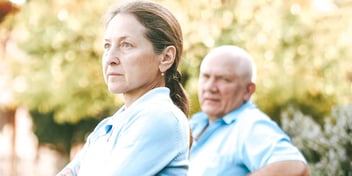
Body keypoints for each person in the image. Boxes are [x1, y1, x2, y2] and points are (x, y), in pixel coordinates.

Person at [57, 1, 191, 175]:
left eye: (126, 45)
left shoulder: (161, 117)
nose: (110, 58)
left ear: (166, 57)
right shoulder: (110, 125)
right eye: (107, 46)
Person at [188, 45, 310, 176]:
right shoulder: (196, 123)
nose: (210, 87)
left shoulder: (249, 125)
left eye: (224, 79)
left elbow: (295, 167)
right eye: (206, 77)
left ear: (248, 90)